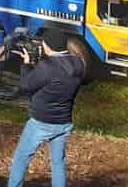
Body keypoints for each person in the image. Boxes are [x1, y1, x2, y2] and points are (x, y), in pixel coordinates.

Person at [7, 28, 86, 187]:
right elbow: (55, 77)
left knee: (21, 158)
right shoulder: (78, 64)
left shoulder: (48, 67)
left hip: (41, 122)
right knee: (58, 163)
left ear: (49, 45)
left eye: (43, 43)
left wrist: (26, 65)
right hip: (63, 122)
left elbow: (25, 86)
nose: (41, 45)